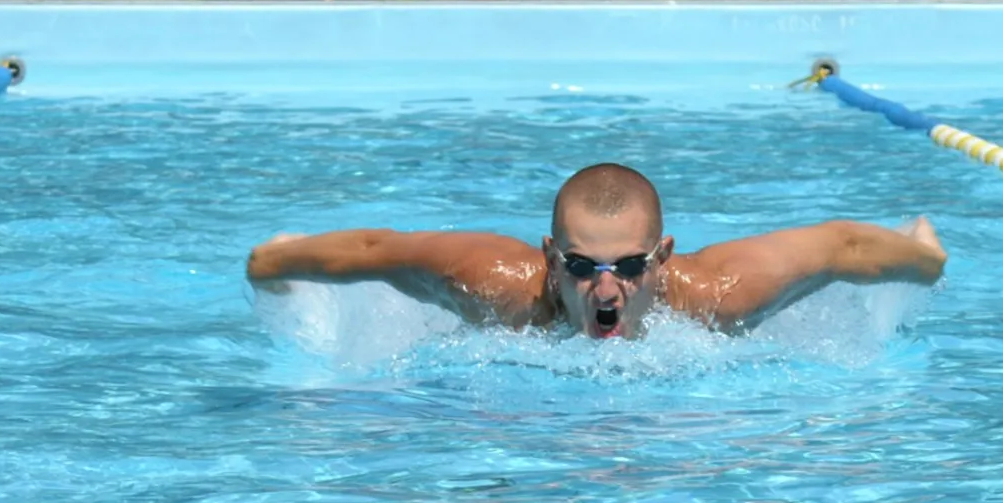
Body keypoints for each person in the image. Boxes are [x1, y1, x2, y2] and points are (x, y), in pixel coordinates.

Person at [245, 162, 947, 340]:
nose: (606, 291)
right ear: (551, 257)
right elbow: (377, 249)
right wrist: (273, 264)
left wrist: (925, 261)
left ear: (662, 258)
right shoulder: (497, 286)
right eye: (581, 267)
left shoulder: (717, 298)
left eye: (631, 267)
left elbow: (840, 245)